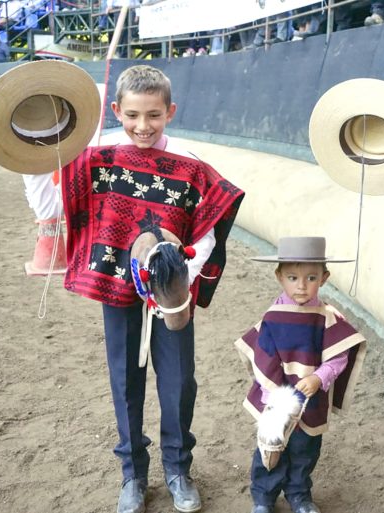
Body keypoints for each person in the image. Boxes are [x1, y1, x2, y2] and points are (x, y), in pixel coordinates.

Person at [20, 65, 245, 513]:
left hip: (171, 294)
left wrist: (176, 272)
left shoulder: (190, 164)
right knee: (126, 383)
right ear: (117, 111)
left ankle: (179, 470)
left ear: (170, 112)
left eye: (154, 115)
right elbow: (49, 203)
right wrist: (36, 158)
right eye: (133, 115)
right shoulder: (97, 155)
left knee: (179, 382)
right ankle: (133, 477)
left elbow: (207, 230)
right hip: (116, 288)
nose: (143, 126)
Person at [235, 237, 367, 513]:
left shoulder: (327, 317)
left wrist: (319, 377)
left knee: (306, 448)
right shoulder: (273, 317)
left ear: (324, 278)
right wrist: (275, 397)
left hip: (311, 399)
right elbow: (264, 358)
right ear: (279, 277)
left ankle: (299, 494)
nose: (302, 286)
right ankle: (263, 497)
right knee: (270, 447)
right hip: (277, 400)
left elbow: (339, 354)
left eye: (311, 278)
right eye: (293, 277)